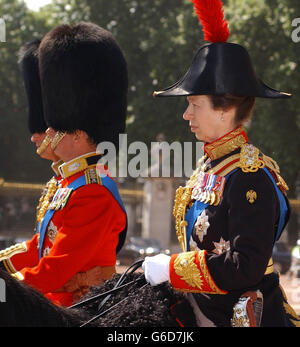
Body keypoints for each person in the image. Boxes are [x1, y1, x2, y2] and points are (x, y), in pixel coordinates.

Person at [142, 0, 300, 327]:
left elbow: (247, 266)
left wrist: (174, 268)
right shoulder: (208, 167)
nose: (186, 114)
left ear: (224, 110)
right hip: (203, 309)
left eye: (194, 104)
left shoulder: (249, 176)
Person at [0, 22, 128, 307]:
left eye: (56, 128)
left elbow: (56, 269)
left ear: (79, 135)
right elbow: (40, 248)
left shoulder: (93, 192)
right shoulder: (68, 183)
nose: (47, 133)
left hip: (79, 310)